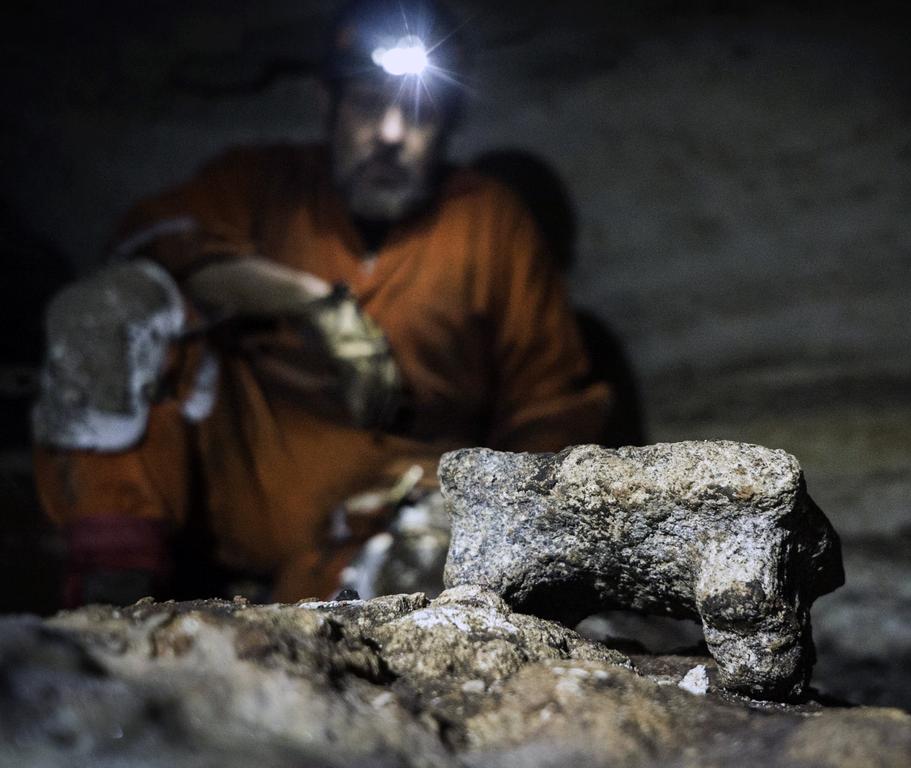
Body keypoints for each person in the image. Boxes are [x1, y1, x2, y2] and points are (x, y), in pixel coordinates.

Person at [32, 0, 609, 607]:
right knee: (113, 305)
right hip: (228, 504)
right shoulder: (263, 184)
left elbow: (552, 404)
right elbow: (147, 244)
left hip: (394, 524)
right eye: (366, 104)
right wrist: (309, 304)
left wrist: (473, 507)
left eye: (418, 114)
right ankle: (112, 585)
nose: (390, 134)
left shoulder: (488, 222)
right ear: (325, 104)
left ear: (448, 126)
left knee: (426, 571)